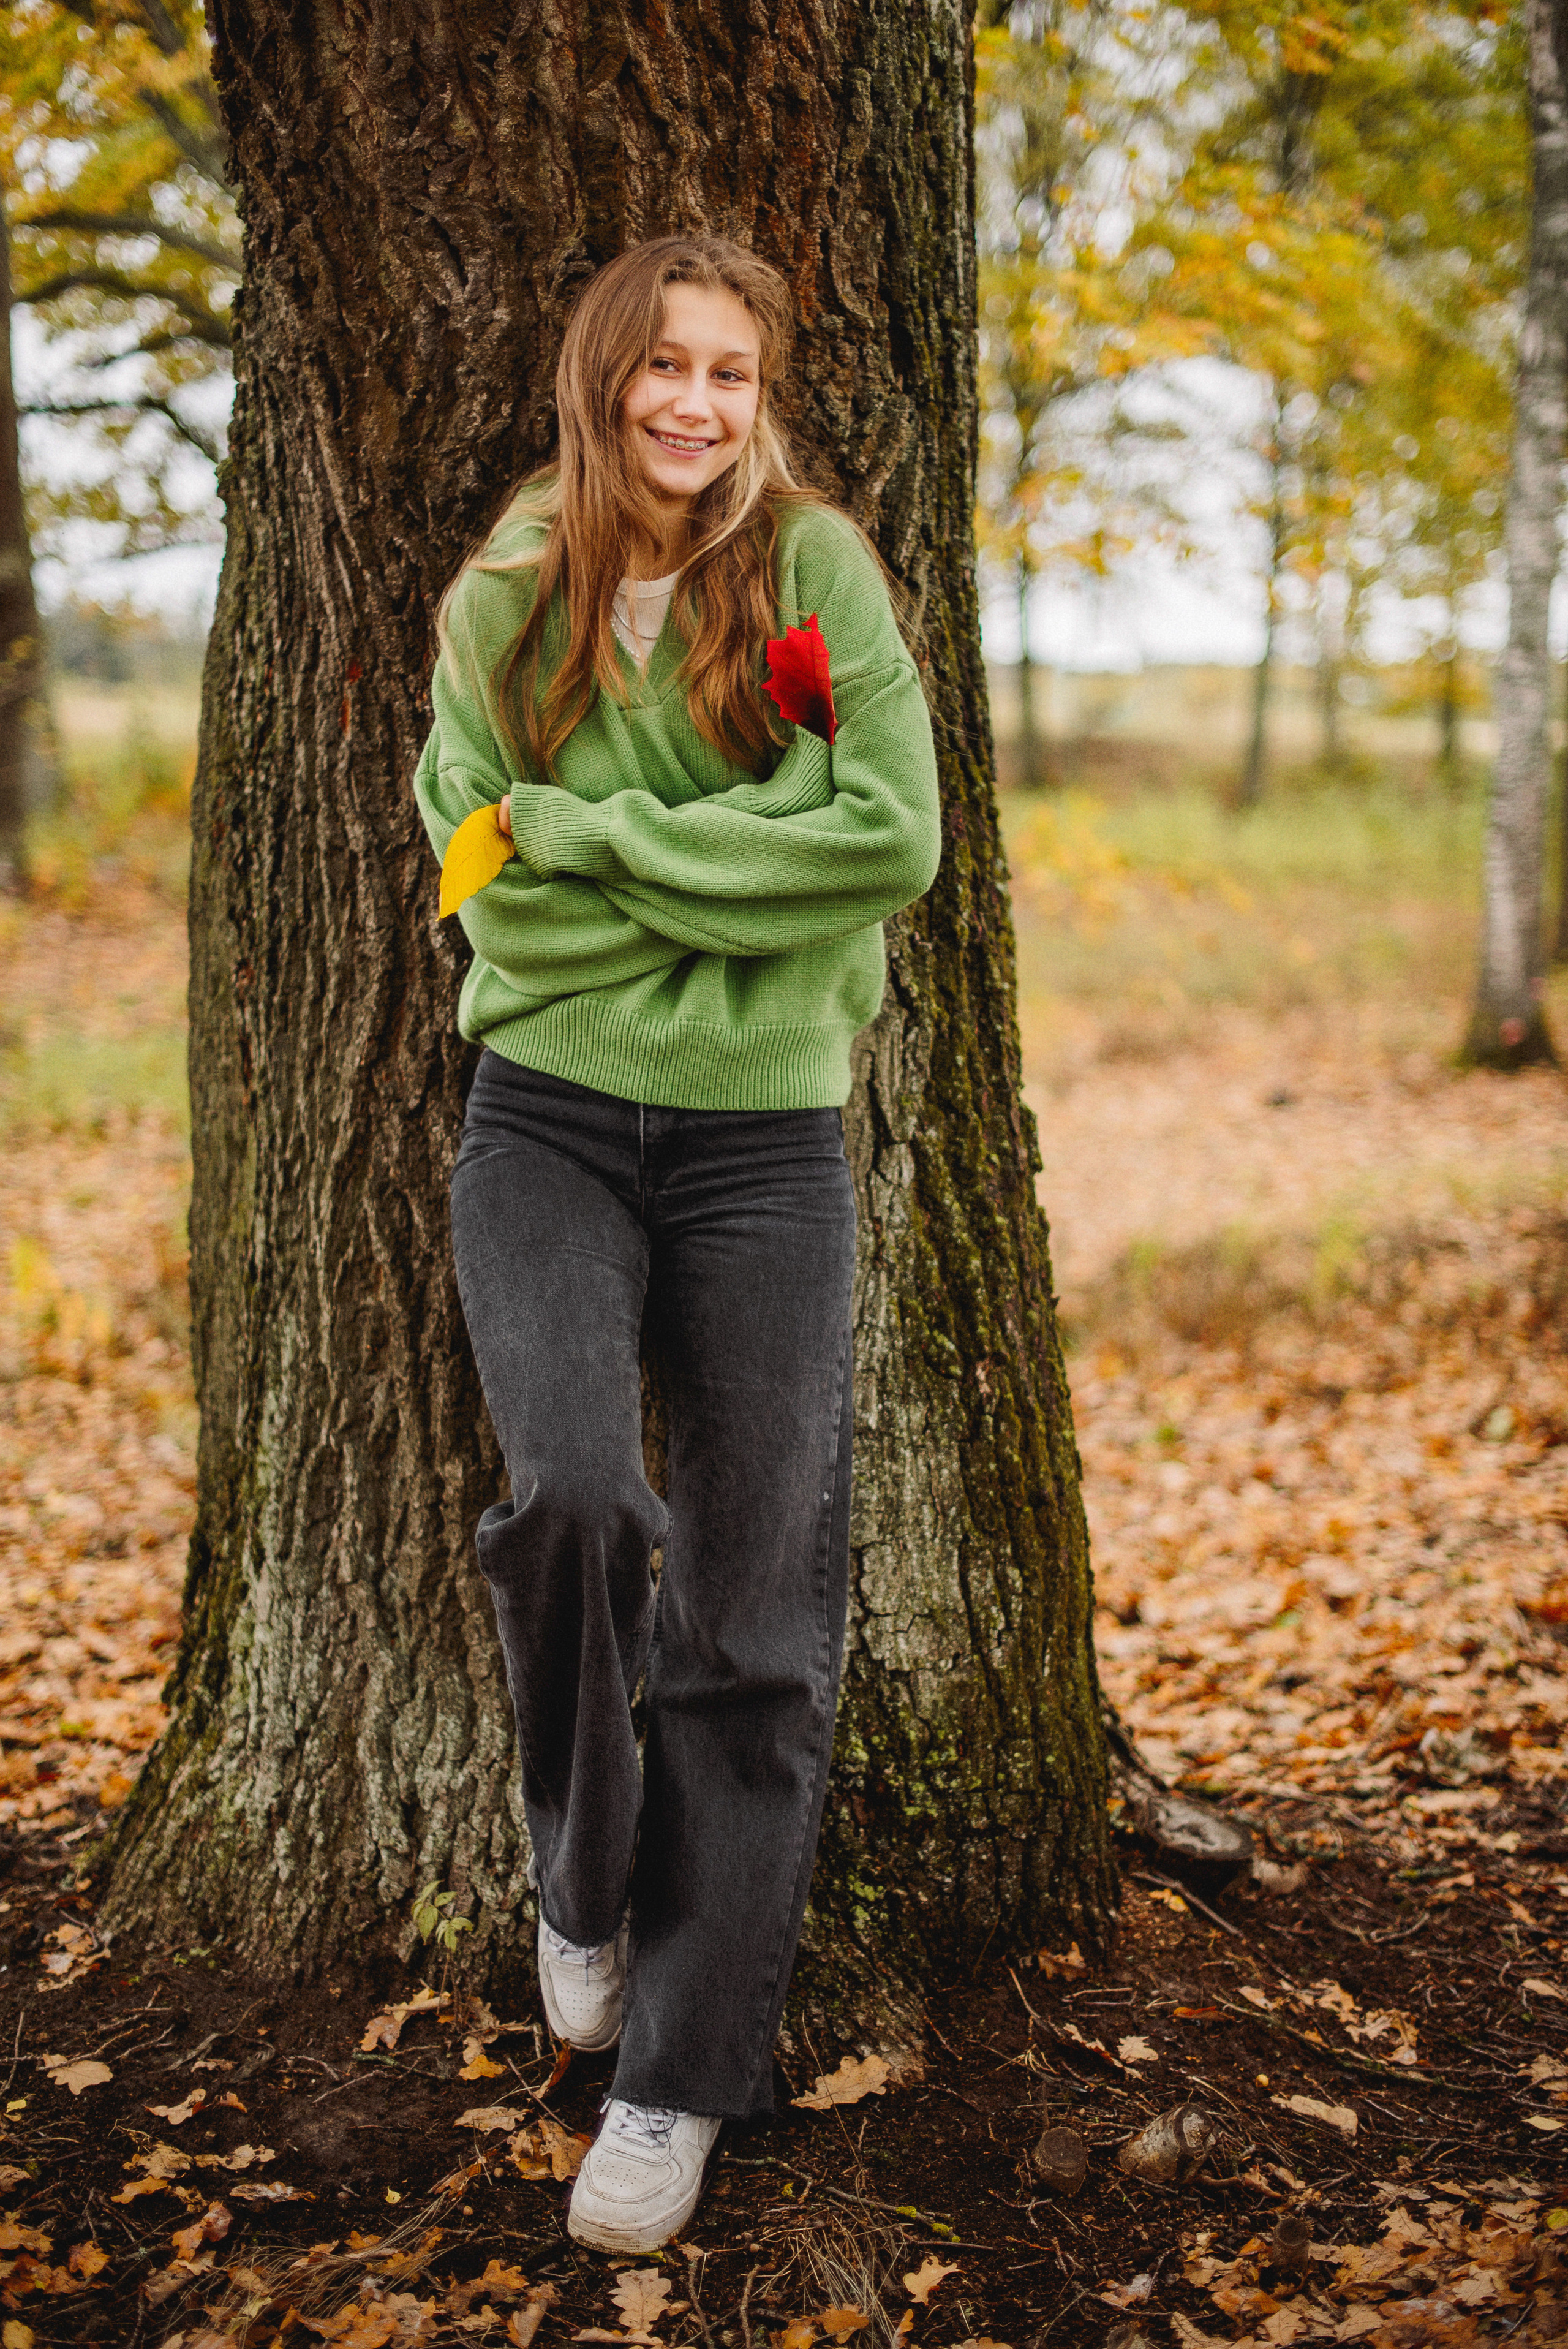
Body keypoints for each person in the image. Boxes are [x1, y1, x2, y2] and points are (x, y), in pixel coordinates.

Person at [413, 235, 941, 2255]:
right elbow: (491, 894)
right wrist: (748, 871)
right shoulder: (505, 593)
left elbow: (888, 842)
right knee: (569, 1495)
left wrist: (608, 836)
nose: (698, 406)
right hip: (544, 1117)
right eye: (666, 367)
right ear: (603, 375)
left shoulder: (814, 575)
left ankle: (677, 2076)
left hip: (766, 1147)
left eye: (732, 372)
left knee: (752, 1618)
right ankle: (581, 1875)